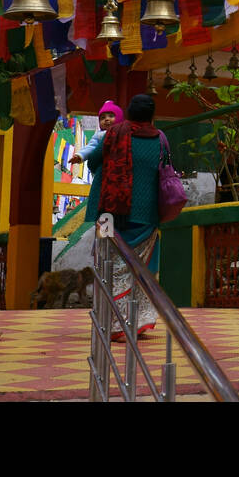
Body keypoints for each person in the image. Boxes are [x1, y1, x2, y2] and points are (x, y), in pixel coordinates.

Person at [85, 93, 163, 341]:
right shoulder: (161, 139)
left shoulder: (113, 133)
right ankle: (137, 321)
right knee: (141, 268)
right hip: (146, 214)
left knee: (110, 264)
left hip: (111, 212)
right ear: (152, 115)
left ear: (128, 112)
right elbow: (166, 170)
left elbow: (93, 161)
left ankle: (114, 324)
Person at [69, 101, 123, 180]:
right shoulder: (99, 135)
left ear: (119, 118)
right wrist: (80, 155)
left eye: (111, 116)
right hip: (104, 168)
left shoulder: (124, 133)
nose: (106, 119)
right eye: (102, 118)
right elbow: (91, 147)